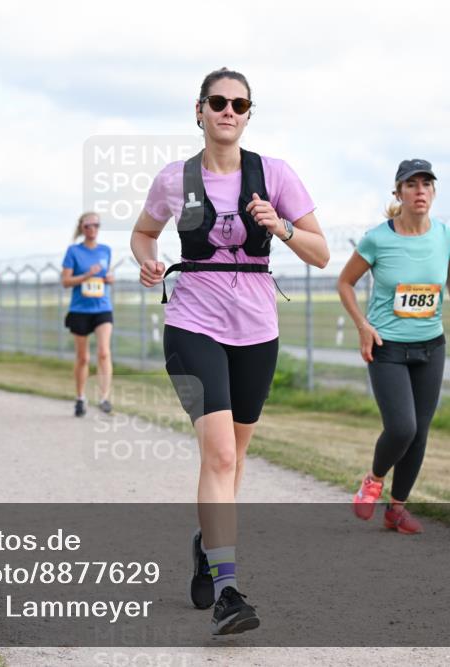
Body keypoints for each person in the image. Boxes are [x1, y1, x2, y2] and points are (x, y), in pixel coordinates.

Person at [131, 67, 329, 635]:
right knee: (218, 456)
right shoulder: (175, 178)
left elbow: (320, 252)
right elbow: (143, 233)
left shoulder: (276, 175)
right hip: (192, 322)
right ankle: (228, 593)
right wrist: (146, 259)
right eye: (217, 102)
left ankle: (206, 544)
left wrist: (282, 227)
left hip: (256, 331)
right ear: (199, 110)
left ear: (248, 114)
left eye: (239, 104)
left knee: (234, 460)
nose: (228, 111)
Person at [338, 159, 450, 534]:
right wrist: (362, 325)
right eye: (411, 185)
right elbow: (345, 283)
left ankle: (396, 509)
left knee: (421, 430)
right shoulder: (377, 239)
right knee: (402, 427)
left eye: (426, 184)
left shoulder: (447, 237)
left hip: (431, 346)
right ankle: (373, 479)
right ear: (398, 193)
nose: (420, 191)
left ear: (433, 192)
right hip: (387, 347)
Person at [62, 212, 115, 417]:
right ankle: (80, 397)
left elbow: (106, 276)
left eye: (96, 225)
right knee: (83, 357)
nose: (92, 229)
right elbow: (65, 282)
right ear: (82, 228)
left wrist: (109, 279)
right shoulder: (73, 251)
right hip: (80, 310)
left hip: (102, 307)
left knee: (104, 352)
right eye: (88, 226)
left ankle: (104, 398)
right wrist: (86, 276)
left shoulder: (106, 250)